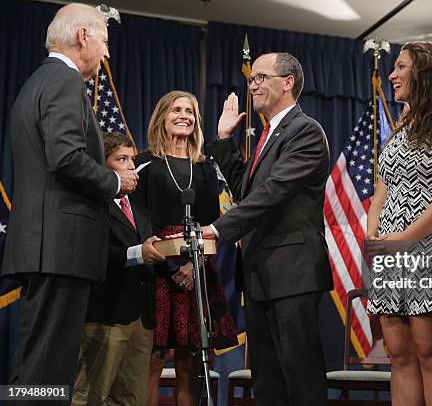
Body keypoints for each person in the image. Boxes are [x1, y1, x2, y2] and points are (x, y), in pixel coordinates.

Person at [0, 3, 137, 389]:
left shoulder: (38, 81)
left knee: (38, 360)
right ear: (83, 36)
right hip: (61, 247)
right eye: (105, 41)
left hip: (49, 245)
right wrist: (114, 182)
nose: (108, 53)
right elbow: (65, 158)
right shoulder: (64, 81)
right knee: (48, 364)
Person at [202, 52, 333, 405]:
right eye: (251, 80)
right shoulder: (267, 135)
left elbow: (273, 193)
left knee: (301, 382)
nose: (252, 86)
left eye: (260, 77)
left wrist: (216, 229)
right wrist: (225, 140)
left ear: (287, 82)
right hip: (262, 275)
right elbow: (248, 189)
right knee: (269, 384)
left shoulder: (305, 131)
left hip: (293, 274)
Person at [364, 42, 432, 405]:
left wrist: (405, 238)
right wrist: (373, 235)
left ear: (425, 73)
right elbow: (382, 190)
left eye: (401, 67)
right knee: (399, 354)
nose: (392, 76)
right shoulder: (399, 130)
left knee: (431, 352)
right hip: (391, 253)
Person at [131, 91, 237, 406]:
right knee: (154, 356)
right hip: (156, 270)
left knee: (190, 361)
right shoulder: (144, 163)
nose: (184, 116)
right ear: (162, 116)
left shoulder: (206, 166)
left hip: (198, 267)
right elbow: (139, 221)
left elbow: (213, 222)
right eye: (176, 110)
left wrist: (194, 266)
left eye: (189, 111)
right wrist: (172, 268)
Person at [72, 132, 165, 406]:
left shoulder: (143, 212)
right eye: (121, 159)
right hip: (104, 314)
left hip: (140, 319)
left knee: (131, 398)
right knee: (90, 395)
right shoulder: (89, 206)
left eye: (132, 160)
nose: (130, 167)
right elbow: (91, 254)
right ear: (101, 167)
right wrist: (138, 254)